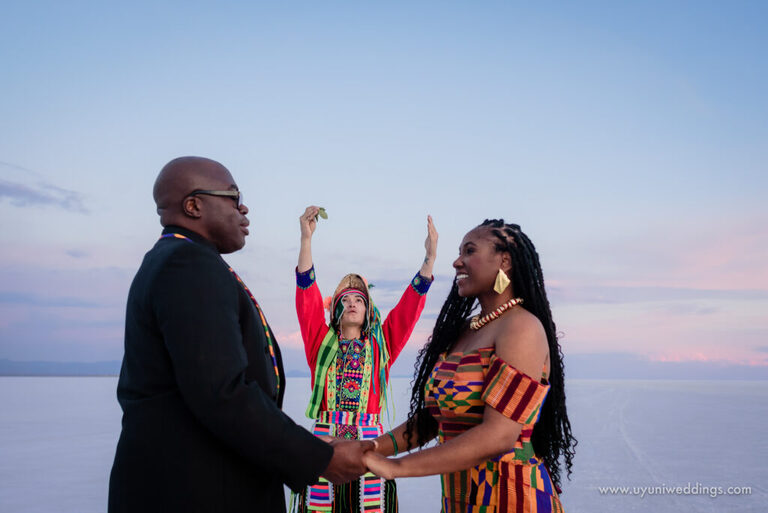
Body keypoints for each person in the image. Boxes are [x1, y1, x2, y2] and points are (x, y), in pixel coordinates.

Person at [108, 157, 371, 513]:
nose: (244, 208)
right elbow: (222, 394)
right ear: (194, 205)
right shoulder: (188, 265)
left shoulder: (176, 259)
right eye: (233, 197)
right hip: (197, 492)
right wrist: (319, 458)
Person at [363, 219, 577, 513]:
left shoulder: (521, 328)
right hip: (459, 501)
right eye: (459, 252)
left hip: (513, 500)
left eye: (469, 251)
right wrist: (370, 449)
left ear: (505, 261)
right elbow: (434, 419)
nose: (456, 261)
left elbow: (499, 435)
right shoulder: (464, 330)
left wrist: (395, 467)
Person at [292, 205, 438, 513]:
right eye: (345, 299)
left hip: (369, 448)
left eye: (360, 299)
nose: (353, 303)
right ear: (335, 310)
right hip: (325, 444)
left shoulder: (380, 346)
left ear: (369, 309)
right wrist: (306, 240)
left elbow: (407, 312)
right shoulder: (321, 343)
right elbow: (306, 296)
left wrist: (429, 260)